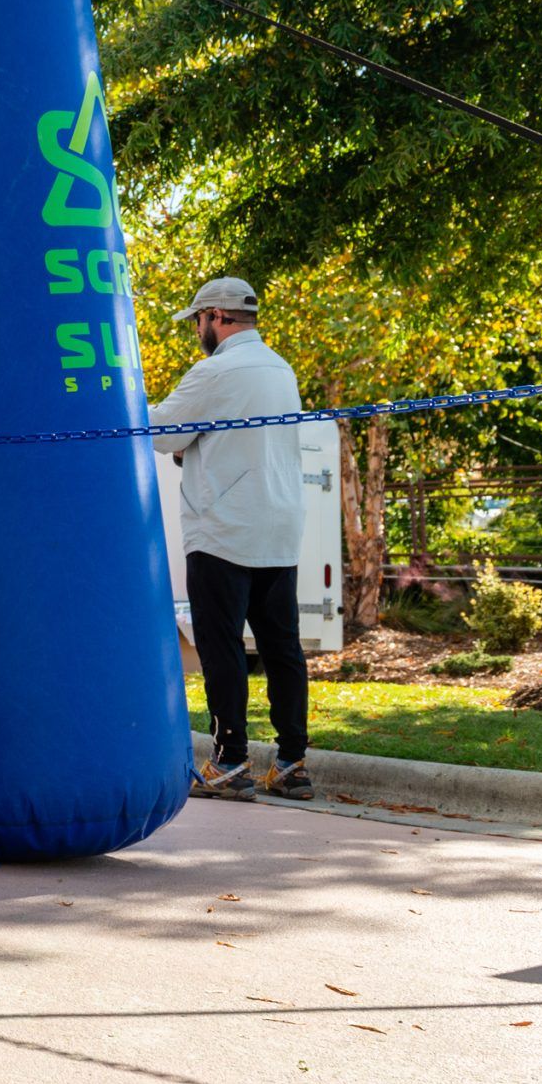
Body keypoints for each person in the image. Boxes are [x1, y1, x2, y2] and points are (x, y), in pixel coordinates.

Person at [149, 277, 309, 801]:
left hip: (223, 530)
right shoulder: (280, 368)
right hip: (279, 527)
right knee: (282, 648)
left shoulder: (215, 370)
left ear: (216, 317)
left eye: (197, 321)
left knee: (222, 649)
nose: (197, 331)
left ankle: (231, 760)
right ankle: (292, 763)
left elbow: (162, 433)